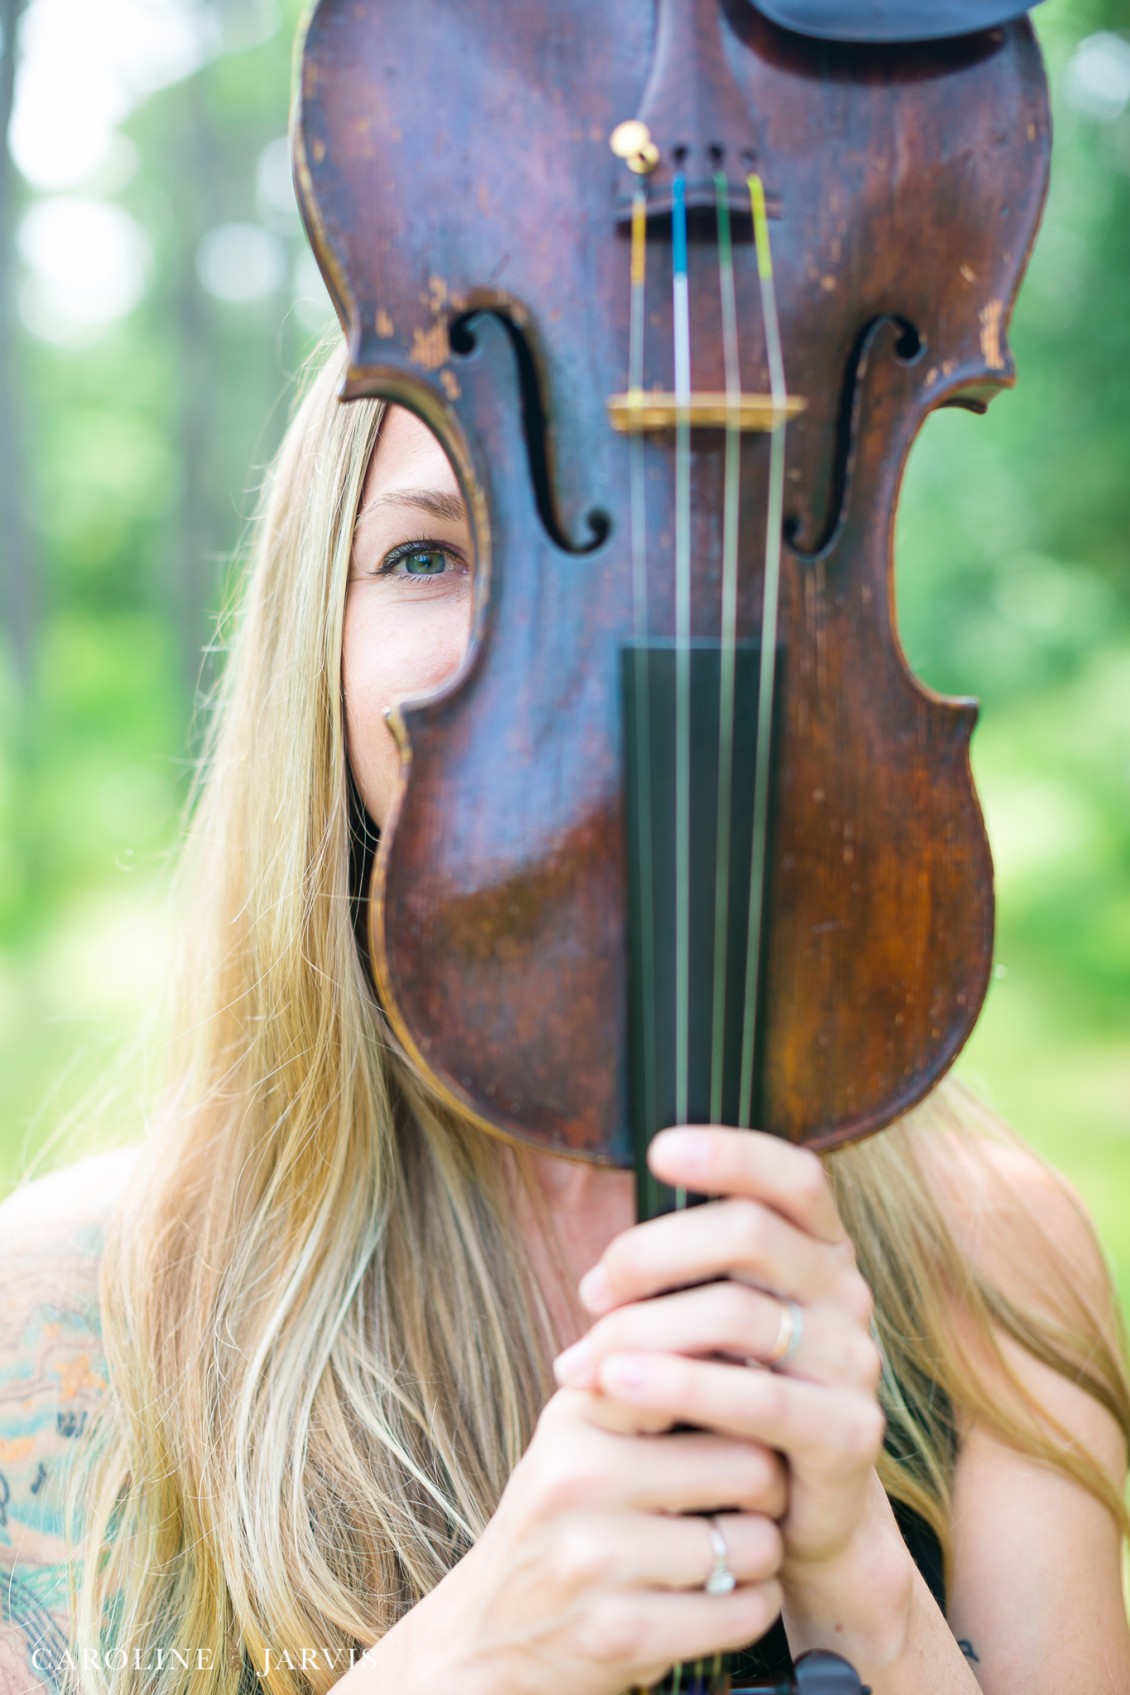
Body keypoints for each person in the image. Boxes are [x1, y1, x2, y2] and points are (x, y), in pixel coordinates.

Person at [1, 347, 1128, 1695]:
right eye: (432, 555)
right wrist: (474, 1659)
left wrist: (869, 1607)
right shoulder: (63, 1311)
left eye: (647, 545)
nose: (549, 637)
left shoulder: (990, 1262)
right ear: (321, 641)